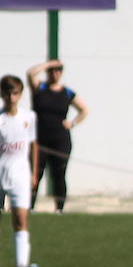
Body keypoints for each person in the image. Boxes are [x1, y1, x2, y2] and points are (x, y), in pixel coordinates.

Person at [0, 75, 39, 267]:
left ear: (21, 94)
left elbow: (33, 144)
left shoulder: (29, 117)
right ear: (1, 94)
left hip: (20, 175)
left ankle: (22, 266)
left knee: (20, 218)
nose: (12, 97)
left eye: (16, 93)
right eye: (8, 93)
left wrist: (34, 172)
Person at [26, 59, 88, 213]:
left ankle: (59, 208)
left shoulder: (67, 92)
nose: (55, 73)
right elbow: (30, 73)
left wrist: (72, 123)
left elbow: (84, 110)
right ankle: (30, 206)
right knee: (36, 173)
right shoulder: (40, 88)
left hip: (60, 140)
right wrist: (48, 64)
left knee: (59, 174)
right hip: (39, 139)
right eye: (52, 70)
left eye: (58, 70)